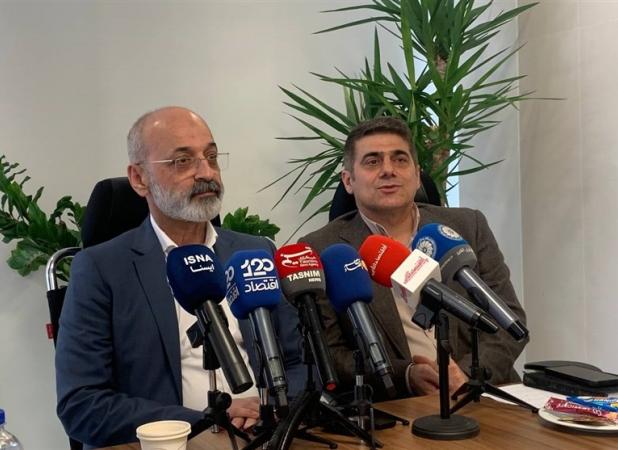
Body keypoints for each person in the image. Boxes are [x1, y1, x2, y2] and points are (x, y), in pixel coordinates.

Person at [55, 106, 305, 448]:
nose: (206, 173)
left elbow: (299, 361)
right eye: (183, 161)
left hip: (263, 436)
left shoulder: (255, 252)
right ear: (139, 178)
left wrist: (269, 407)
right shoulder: (100, 269)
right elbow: (82, 404)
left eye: (211, 157)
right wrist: (207, 419)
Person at [300, 117, 528, 400]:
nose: (388, 170)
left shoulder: (468, 226)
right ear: (348, 181)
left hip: (486, 391)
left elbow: (509, 321)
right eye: (372, 161)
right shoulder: (322, 249)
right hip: (399, 403)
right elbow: (330, 353)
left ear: (417, 175)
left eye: (400, 160)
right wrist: (406, 375)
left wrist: (467, 375)